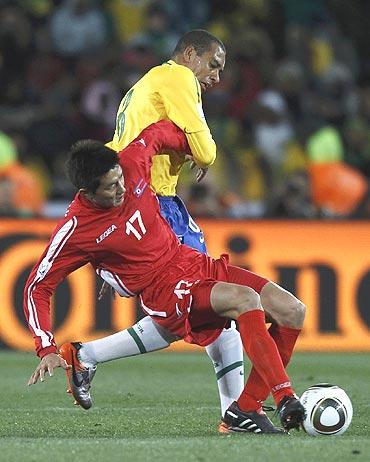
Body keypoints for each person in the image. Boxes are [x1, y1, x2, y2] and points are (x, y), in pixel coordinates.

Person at [25, 120, 306, 434]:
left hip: (191, 261)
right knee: (244, 300)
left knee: (292, 310)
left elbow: (157, 133)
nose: (122, 189)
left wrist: (195, 151)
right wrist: (46, 347)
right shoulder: (76, 229)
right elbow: (38, 286)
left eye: (120, 179)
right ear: (86, 192)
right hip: (164, 290)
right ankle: (284, 396)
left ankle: (245, 408)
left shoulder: (131, 163)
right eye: (111, 187)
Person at [87, 28, 246, 418]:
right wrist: (197, 149)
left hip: (144, 204)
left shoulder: (146, 85)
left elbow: (118, 150)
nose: (216, 78)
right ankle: (239, 411)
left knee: (205, 313)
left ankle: (238, 411)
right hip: (156, 207)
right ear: (190, 54)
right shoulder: (177, 77)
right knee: (204, 305)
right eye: (213, 65)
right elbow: (207, 150)